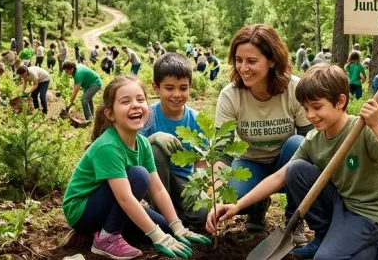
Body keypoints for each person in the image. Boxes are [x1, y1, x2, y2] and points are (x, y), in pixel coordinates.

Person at [207, 65, 378, 260]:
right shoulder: (314, 139)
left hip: (369, 214)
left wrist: (377, 124)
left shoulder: (362, 130)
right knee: (296, 169)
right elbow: (280, 176)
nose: (310, 115)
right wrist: (236, 206)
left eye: (317, 107)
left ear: (340, 101)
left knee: (326, 258)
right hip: (340, 203)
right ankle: (323, 236)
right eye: (305, 108)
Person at [61, 76, 209, 259]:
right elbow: (124, 198)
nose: (136, 105)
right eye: (125, 101)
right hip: (82, 210)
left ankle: (93, 234)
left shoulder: (142, 143)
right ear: (110, 114)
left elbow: (158, 189)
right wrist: (157, 237)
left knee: (164, 227)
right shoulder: (108, 146)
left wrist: (177, 226)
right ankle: (106, 237)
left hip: (108, 205)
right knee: (139, 175)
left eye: (140, 100)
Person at [214, 24, 313, 239]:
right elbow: (222, 151)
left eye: (251, 61)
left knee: (299, 144)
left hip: (287, 160)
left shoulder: (294, 89)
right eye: (239, 60)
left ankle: (294, 219)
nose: (243, 68)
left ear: (272, 61)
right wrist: (217, 196)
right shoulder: (230, 96)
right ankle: (256, 210)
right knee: (234, 197)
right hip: (251, 163)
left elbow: (311, 141)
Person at [141, 53, 208, 228]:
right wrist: (152, 138)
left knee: (202, 216)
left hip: (184, 180)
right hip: (153, 180)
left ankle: (175, 213)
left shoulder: (197, 120)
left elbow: (201, 161)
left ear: (190, 87)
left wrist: (201, 186)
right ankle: (161, 210)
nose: (177, 94)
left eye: (183, 88)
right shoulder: (147, 116)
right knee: (154, 149)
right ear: (156, 88)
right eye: (169, 88)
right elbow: (133, 150)